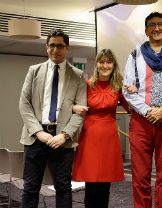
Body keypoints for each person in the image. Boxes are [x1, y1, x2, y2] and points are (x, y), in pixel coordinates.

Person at [122, 12, 162, 208]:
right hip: (140, 122)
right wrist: (149, 112)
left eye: (160, 24)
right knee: (140, 176)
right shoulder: (135, 55)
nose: (156, 28)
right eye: (152, 25)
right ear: (146, 30)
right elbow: (127, 90)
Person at [19, 29, 87, 208]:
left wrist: (64, 134)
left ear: (67, 48)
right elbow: (24, 104)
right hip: (35, 137)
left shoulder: (78, 75)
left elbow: (80, 112)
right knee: (30, 188)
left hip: (62, 140)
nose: (55, 50)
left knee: (63, 188)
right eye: (51, 46)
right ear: (46, 47)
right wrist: (38, 131)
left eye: (59, 46)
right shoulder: (34, 71)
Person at [72, 49, 129, 208]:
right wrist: (74, 107)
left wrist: (133, 90)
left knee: (105, 187)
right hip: (90, 137)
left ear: (113, 65)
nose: (105, 65)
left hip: (109, 137)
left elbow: (131, 108)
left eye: (108, 62)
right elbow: (70, 104)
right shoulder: (87, 84)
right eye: (101, 62)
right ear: (96, 64)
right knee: (91, 187)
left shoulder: (119, 85)